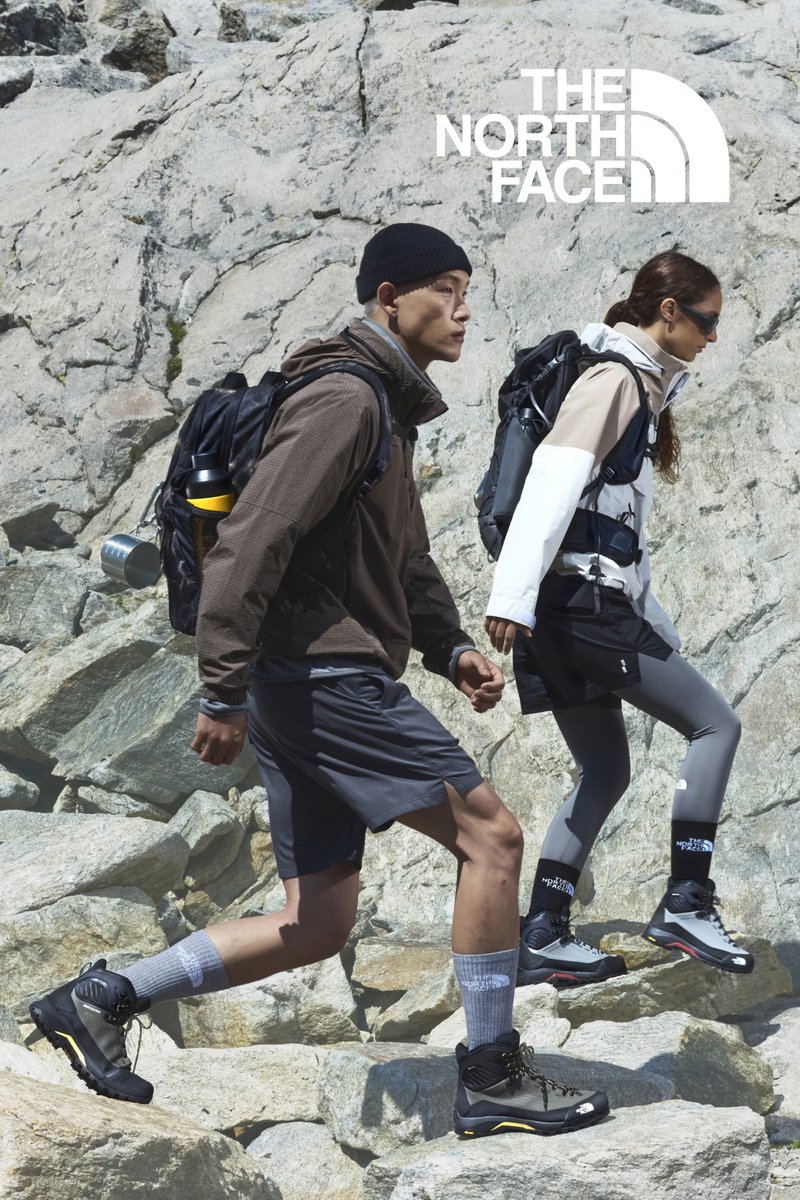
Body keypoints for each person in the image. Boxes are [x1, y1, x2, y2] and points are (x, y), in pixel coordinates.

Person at [30, 223, 608, 1137]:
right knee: (491, 837)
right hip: (320, 673)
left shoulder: (382, 404)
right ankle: (494, 1074)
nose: (464, 310)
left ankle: (102, 998)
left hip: (312, 674)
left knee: (317, 921)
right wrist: (220, 688)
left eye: (468, 291)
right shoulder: (345, 399)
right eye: (446, 290)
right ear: (389, 299)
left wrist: (448, 645)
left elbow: (400, 555)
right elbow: (252, 545)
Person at [484, 251, 752, 989]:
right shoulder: (615, 379)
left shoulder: (635, 384)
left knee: (605, 769)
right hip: (578, 609)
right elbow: (553, 481)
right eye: (706, 320)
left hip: (564, 611)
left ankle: (542, 932)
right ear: (666, 311)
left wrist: (652, 619)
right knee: (715, 726)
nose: (712, 336)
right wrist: (510, 594)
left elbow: (614, 528)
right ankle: (687, 903)